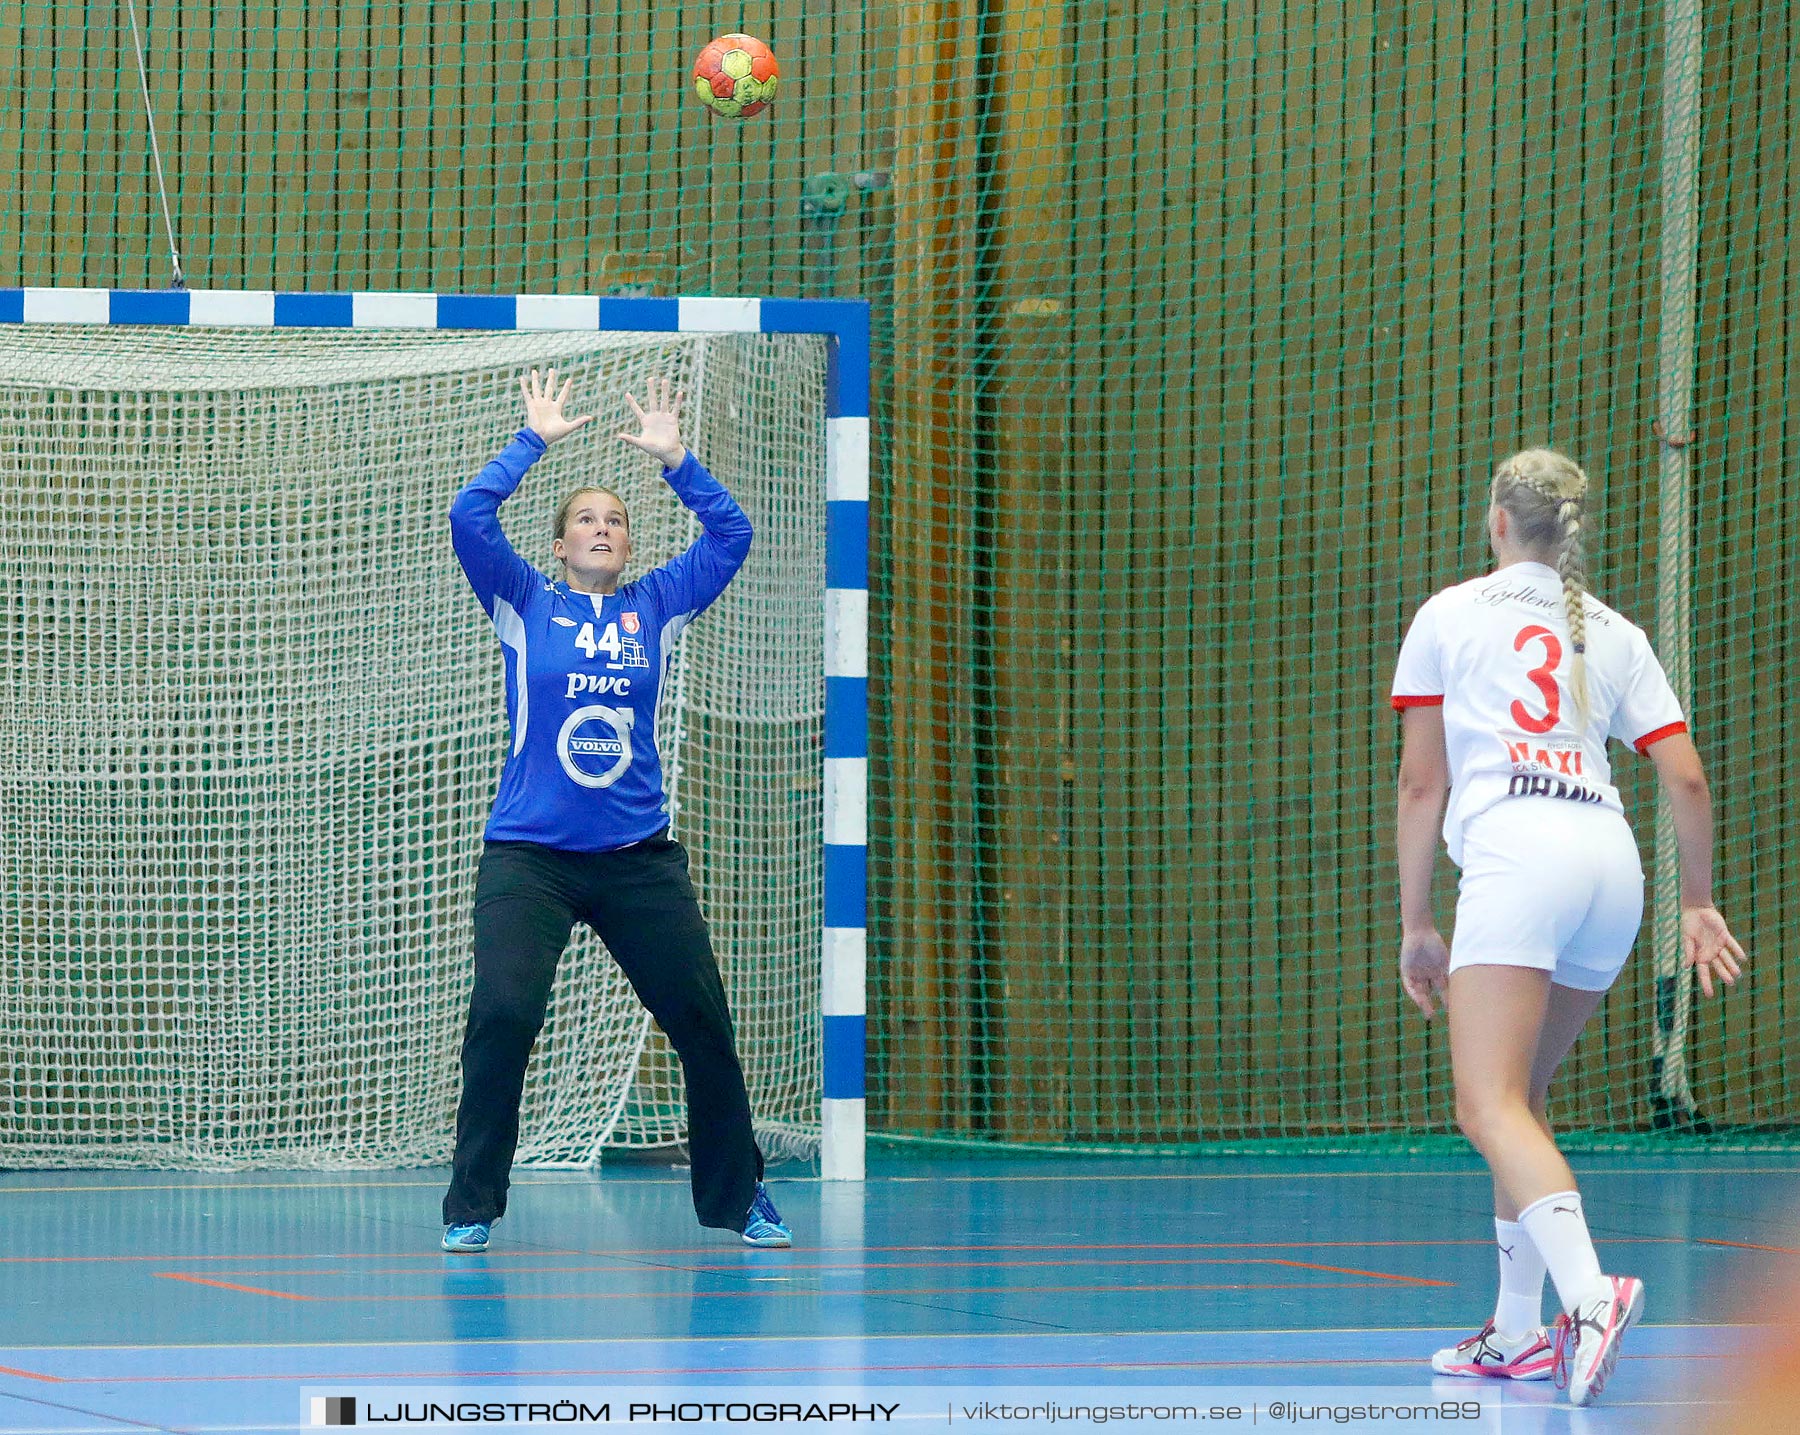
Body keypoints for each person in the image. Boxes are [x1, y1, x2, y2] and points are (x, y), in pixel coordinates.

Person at [1389, 448, 1745, 1406]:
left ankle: (1590, 1296)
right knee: (1523, 1100)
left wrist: (1419, 920)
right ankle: (1514, 1332)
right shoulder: (1616, 632)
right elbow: (1686, 778)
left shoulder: (1448, 614)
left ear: (1496, 521)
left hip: (1519, 858)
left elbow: (1425, 782)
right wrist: (1698, 903)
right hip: (1610, 864)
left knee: (1484, 1106)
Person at [440, 368, 790, 1253]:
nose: (603, 528)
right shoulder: (524, 601)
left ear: (630, 545)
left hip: (637, 858)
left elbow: (733, 532)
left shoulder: (658, 604)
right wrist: (534, 441)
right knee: (504, 1013)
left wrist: (676, 460)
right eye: (586, 519)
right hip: (531, 857)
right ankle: (472, 1203)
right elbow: (467, 519)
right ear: (560, 545)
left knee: (700, 1020)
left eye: (616, 519)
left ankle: (741, 1194)